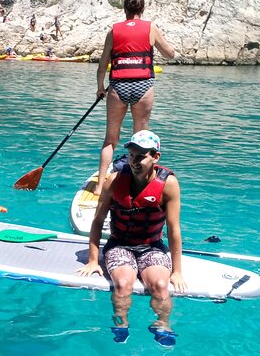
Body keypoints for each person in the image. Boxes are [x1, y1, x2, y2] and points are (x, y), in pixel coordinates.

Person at [76, 131, 186, 348]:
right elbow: (97, 221)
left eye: (140, 156)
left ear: (155, 157)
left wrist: (177, 271)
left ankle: (162, 323)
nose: (134, 162)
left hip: (151, 246)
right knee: (123, 283)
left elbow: (174, 230)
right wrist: (92, 260)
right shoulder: (114, 180)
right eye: (131, 155)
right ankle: (121, 322)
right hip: (119, 245)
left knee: (160, 285)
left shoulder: (169, 184)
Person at [94, 0, 176, 195]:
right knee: (140, 140)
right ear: (143, 8)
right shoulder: (151, 28)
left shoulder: (113, 31)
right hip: (143, 86)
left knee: (110, 140)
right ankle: (136, 184)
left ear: (125, 9)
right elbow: (170, 54)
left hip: (118, 87)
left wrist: (100, 88)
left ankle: (99, 187)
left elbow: (103, 64)